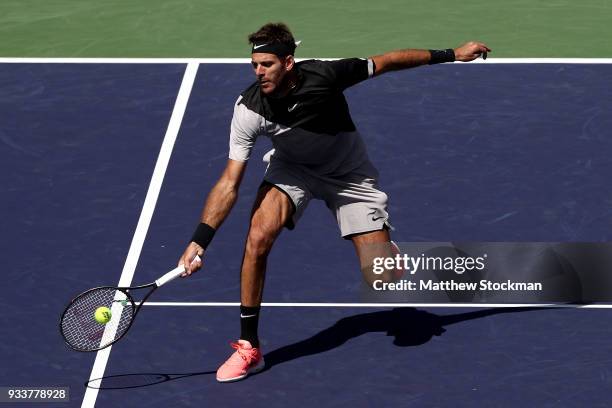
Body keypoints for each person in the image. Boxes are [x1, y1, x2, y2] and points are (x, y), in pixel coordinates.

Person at [178, 22, 490, 382]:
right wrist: (200, 240)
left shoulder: (326, 74)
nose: (259, 72)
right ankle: (250, 346)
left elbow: (387, 61)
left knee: (382, 278)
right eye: (255, 65)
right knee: (257, 238)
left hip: (349, 176)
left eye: (267, 64)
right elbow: (229, 182)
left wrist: (452, 54)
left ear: (288, 62)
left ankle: (389, 255)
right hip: (293, 170)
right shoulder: (250, 108)